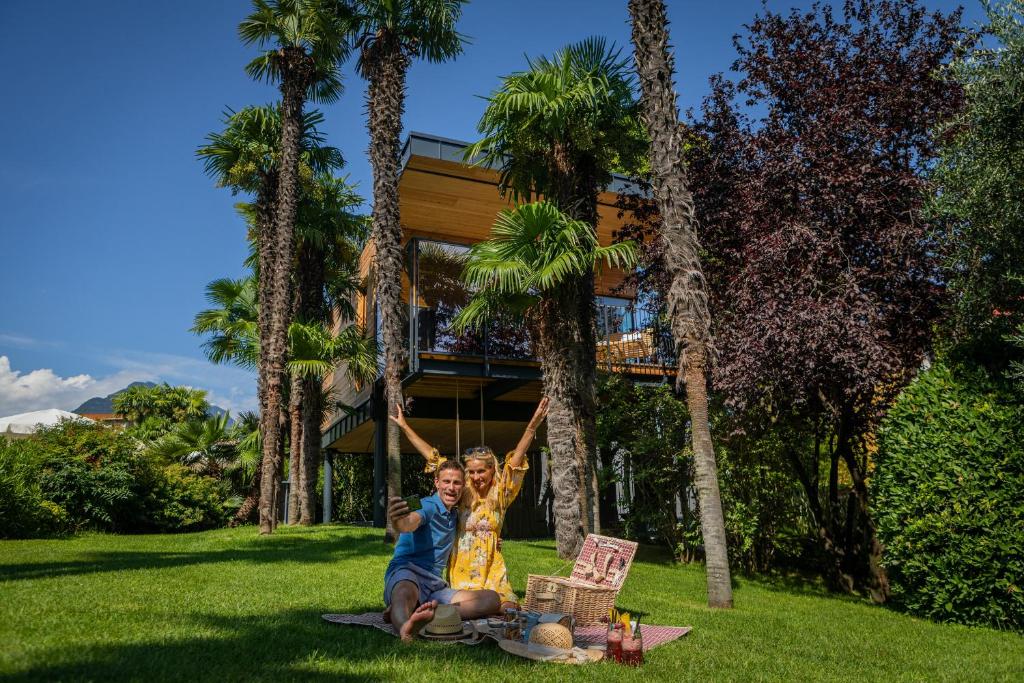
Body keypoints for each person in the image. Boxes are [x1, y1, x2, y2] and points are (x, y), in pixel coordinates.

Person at [390, 397, 549, 610]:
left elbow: (516, 462)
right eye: (471, 472)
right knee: (482, 607)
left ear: (493, 470)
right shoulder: (463, 492)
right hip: (462, 570)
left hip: (492, 567)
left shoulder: (502, 495)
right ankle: (436, 615)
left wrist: (532, 426)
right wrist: (405, 426)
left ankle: (439, 614)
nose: (475, 476)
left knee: (509, 609)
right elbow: (434, 458)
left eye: (481, 471)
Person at [384, 459, 500, 641]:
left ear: (463, 486)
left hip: (434, 586)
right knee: (404, 592)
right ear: (436, 483)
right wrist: (398, 521)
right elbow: (409, 521)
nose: (451, 488)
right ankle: (405, 627)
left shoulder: (455, 514)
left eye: (457, 482)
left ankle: (420, 612)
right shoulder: (426, 504)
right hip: (408, 570)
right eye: (446, 481)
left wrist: (494, 541)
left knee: (491, 600)